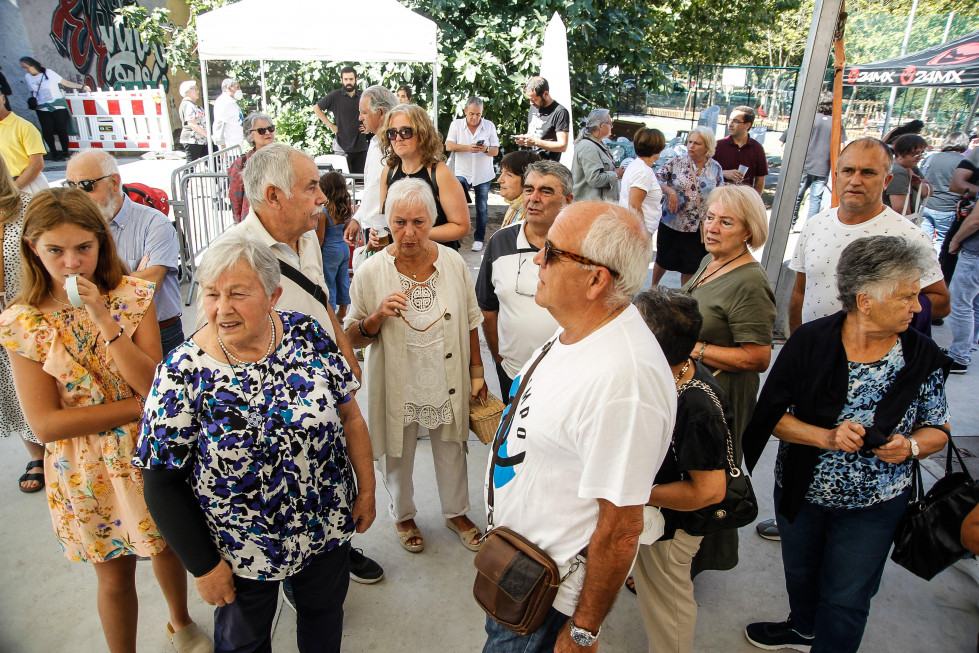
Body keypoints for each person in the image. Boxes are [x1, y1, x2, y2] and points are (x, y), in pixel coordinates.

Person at [134, 233, 374, 653]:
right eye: (211, 294)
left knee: (323, 621)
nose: (221, 308)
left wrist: (367, 490)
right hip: (237, 549)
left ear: (273, 295)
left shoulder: (306, 334)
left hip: (324, 527)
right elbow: (160, 481)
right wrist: (204, 566)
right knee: (243, 644)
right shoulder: (181, 372)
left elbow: (350, 415)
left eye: (238, 294)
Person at [0, 188, 210, 653]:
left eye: (83, 248)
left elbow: (151, 378)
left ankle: (180, 620)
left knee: (166, 547)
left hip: (147, 455)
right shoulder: (23, 322)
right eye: (55, 250)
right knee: (114, 575)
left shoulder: (133, 296)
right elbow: (47, 425)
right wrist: (137, 408)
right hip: (84, 469)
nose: (71, 262)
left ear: (101, 243)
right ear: (34, 249)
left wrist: (101, 315)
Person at [481, 200, 676, 652]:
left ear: (595, 279)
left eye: (551, 251)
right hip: (517, 564)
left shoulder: (626, 381)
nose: (536, 259)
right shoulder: (579, 327)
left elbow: (622, 527)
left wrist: (583, 630)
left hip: (547, 600)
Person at [742, 236, 950, 653]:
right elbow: (770, 418)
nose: (918, 306)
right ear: (866, 300)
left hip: (876, 503)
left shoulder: (921, 355)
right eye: (908, 296)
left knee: (846, 598)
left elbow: (938, 429)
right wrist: (826, 437)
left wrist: (909, 448)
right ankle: (802, 628)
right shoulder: (810, 343)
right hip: (803, 489)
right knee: (800, 574)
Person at [195, 143, 382, 584]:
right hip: (268, 411)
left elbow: (320, 299)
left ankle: (338, 541)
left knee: (330, 463)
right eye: (312, 186)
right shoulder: (229, 256)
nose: (322, 197)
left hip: (321, 384)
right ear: (274, 195)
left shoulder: (306, 236)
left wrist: (342, 348)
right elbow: (210, 341)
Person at [344, 179, 486, 554]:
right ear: (387, 221)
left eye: (419, 222)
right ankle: (402, 514)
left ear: (433, 220)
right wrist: (376, 316)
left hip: (445, 373)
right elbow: (352, 336)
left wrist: (477, 373)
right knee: (398, 448)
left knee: (452, 442)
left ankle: (456, 512)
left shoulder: (452, 262)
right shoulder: (371, 271)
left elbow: (471, 320)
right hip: (398, 379)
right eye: (400, 222)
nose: (409, 233)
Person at [679, 185, 775, 571]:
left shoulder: (751, 282)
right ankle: (682, 547)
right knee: (690, 468)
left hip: (724, 396)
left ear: (749, 230)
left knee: (713, 476)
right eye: (710, 218)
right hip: (700, 387)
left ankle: (697, 560)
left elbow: (757, 357)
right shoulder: (711, 260)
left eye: (726, 221)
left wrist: (692, 348)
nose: (712, 228)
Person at [631, 288, 728, 653]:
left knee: (668, 604)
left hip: (674, 529)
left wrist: (637, 491)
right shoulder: (672, 374)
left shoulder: (697, 404)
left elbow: (708, 491)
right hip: (658, 515)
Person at [789, 138, 949, 334]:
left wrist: (887, 303)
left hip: (871, 361)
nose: (855, 181)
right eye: (848, 171)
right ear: (837, 175)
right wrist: (796, 344)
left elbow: (941, 304)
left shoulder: (909, 236)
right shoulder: (815, 224)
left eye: (868, 172)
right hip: (813, 353)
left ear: (887, 181)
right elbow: (800, 292)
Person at [65, 150, 185, 357]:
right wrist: (131, 278)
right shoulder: (72, 225)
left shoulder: (154, 223)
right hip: (100, 331)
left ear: (113, 182)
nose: (77, 195)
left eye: (86, 186)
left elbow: (150, 284)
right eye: (70, 186)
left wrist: (93, 285)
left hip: (160, 331)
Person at [475, 160, 568, 400]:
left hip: (565, 376)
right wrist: (498, 356)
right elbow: (487, 307)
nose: (533, 198)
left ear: (568, 199)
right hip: (512, 372)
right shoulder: (500, 242)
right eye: (529, 189)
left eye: (546, 191)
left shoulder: (581, 247)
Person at [0, 153, 44, 492]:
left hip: (30, 313)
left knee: (41, 384)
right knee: (8, 390)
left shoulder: (29, 208)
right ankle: (34, 453)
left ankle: (56, 445)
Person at [377, 103, 469, 250]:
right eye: (392, 133)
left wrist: (417, 233)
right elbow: (384, 220)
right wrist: (376, 234)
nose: (398, 138)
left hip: (436, 261)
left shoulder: (439, 173)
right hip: (400, 261)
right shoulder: (388, 172)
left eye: (406, 132)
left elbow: (461, 226)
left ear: (422, 134)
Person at [654, 126, 724, 286]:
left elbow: (719, 193)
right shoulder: (676, 162)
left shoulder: (715, 168)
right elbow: (656, 180)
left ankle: (683, 294)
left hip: (697, 227)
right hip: (673, 222)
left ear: (707, 146)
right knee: (663, 258)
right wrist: (670, 191)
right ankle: (653, 287)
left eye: (697, 143)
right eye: (690, 142)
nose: (691, 146)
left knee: (690, 265)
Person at [445, 96, 500, 251]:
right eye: (472, 114)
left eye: (478, 114)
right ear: (465, 112)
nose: (475, 118)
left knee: (482, 207)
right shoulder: (456, 124)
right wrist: (467, 148)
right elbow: (449, 145)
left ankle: (479, 238)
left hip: (483, 174)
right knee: (455, 204)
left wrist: (486, 149)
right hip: (462, 172)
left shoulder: (489, 126)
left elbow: (495, 150)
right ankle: (454, 236)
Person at [782, 92, 846, 226]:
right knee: (815, 199)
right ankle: (809, 226)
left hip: (804, 164)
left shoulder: (809, 118)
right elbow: (841, 146)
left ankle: (791, 224)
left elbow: (786, 138)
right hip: (823, 167)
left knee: (797, 196)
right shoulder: (836, 122)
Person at [347, 85, 398, 246]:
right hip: (374, 229)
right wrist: (357, 218)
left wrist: (382, 230)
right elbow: (372, 187)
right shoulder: (375, 142)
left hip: (388, 232)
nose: (360, 118)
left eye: (364, 112)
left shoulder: (398, 146)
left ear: (381, 113)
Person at [19, 56, 88, 161]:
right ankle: (54, 153)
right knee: (47, 131)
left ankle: (65, 152)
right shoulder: (28, 77)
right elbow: (33, 91)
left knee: (61, 129)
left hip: (57, 105)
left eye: (26, 67)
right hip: (42, 107)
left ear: (33, 65)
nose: (26, 70)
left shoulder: (49, 73)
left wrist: (82, 86)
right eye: (23, 68)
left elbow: (66, 83)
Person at [313, 67, 369, 174]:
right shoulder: (335, 96)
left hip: (360, 147)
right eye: (346, 79)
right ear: (341, 80)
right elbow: (316, 108)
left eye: (351, 79)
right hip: (341, 148)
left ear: (356, 79)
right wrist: (331, 125)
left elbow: (374, 112)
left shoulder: (363, 96)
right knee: (342, 184)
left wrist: (368, 127)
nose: (348, 82)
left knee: (360, 183)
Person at [921, 131, 970, 252]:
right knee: (942, 241)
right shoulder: (964, 163)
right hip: (948, 208)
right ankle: (934, 267)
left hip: (926, 205)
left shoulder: (932, 158)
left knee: (923, 239)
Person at [946, 200, 979, 374]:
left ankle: (959, 356)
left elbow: (975, 221)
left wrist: (956, 239)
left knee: (961, 304)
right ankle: (967, 348)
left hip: (975, 254)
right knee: (974, 304)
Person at [227, 111, 276, 223]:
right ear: (251, 136)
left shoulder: (286, 157)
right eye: (261, 131)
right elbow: (236, 198)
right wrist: (239, 224)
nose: (268, 132)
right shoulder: (242, 163)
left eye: (270, 128)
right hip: (254, 221)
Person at [316, 171, 352, 320]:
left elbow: (320, 236)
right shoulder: (346, 209)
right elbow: (346, 229)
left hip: (329, 250)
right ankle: (343, 312)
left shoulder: (325, 212)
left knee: (328, 282)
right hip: (344, 249)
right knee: (343, 280)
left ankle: (329, 313)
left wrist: (315, 251)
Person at [618, 126, 666, 236]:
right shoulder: (643, 172)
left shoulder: (637, 165)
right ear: (657, 149)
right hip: (637, 232)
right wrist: (642, 232)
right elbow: (634, 205)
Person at [712, 105, 768, 196]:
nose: (730, 124)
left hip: (744, 201)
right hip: (720, 200)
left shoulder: (757, 148)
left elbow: (760, 180)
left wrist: (754, 202)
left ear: (747, 125)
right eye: (729, 120)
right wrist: (723, 173)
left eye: (736, 121)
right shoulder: (718, 146)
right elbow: (705, 173)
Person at [571, 108, 623, 202]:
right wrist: (615, 174)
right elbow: (594, 179)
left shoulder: (596, 144)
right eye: (610, 123)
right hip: (588, 208)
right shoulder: (588, 146)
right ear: (600, 125)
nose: (611, 126)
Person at [515, 76, 570, 161]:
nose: (531, 103)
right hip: (530, 163)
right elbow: (534, 134)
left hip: (548, 167)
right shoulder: (534, 107)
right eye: (529, 99)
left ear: (545, 94)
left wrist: (535, 142)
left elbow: (562, 146)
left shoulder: (560, 112)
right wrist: (524, 140)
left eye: (534, 99)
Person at [0, 99, 47, 194]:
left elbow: (37, 164)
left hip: (28, 185)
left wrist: (13, 190)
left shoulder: (25, 127)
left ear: (3, 98)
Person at [883, 133, 931, 216]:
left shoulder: (911, 167)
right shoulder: (898, 172)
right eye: (915, 153)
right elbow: (901, 210)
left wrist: (919, 185)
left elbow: (929, 191)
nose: (919, 157)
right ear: (901, 153)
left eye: (922, 153)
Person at [497, 150, 540, 228]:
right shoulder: (515, 206)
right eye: (501, 173)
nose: (500, 180)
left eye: (509, 175)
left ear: (527, 180)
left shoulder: (530, 216)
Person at [177, 80, 209, 162]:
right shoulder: (188, 105)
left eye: (197, 89)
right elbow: (191, 123)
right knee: (191, 165)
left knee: (213, 161)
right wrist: (207, 135)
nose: (197, 91)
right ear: (187, 92)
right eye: (194, 89)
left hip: (201, 139)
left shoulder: (193, 105)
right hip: (192, 139)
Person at [211, 78, 243, 149]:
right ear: (229, 88)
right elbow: (219, 125)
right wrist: (222, 146)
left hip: (236, 145)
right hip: (229, 149)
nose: (239, 89)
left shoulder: (232, 102)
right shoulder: (224, 102)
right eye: (237, 87)